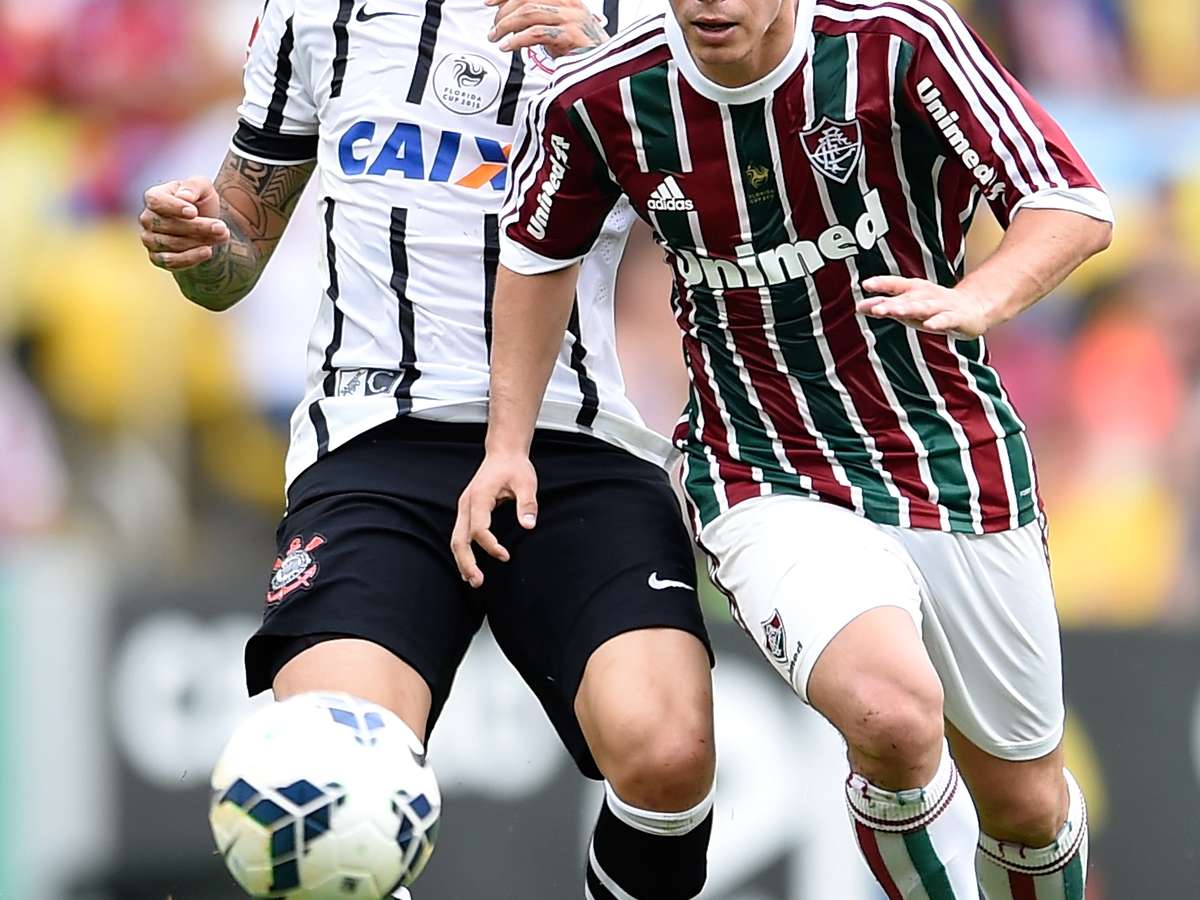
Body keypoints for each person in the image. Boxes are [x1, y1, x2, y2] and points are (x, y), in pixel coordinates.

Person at [452, 0, 1114, 898]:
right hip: (762, 467)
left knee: (1027, 808)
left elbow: (1070, 202)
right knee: (890, 714)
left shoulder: (898, 43)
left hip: (949, 454)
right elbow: (536, 255)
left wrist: (982, 295)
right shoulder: (600, 94)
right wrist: (507, 445)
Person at [136, 1, 717, 898]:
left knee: (670, 755)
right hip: (374, 446)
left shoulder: (643, 19)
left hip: (577, 440)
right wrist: (203, 245)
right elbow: (238, 248)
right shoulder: (317, 13)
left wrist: (621, 79)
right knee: (326, 784)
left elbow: (735, 220)